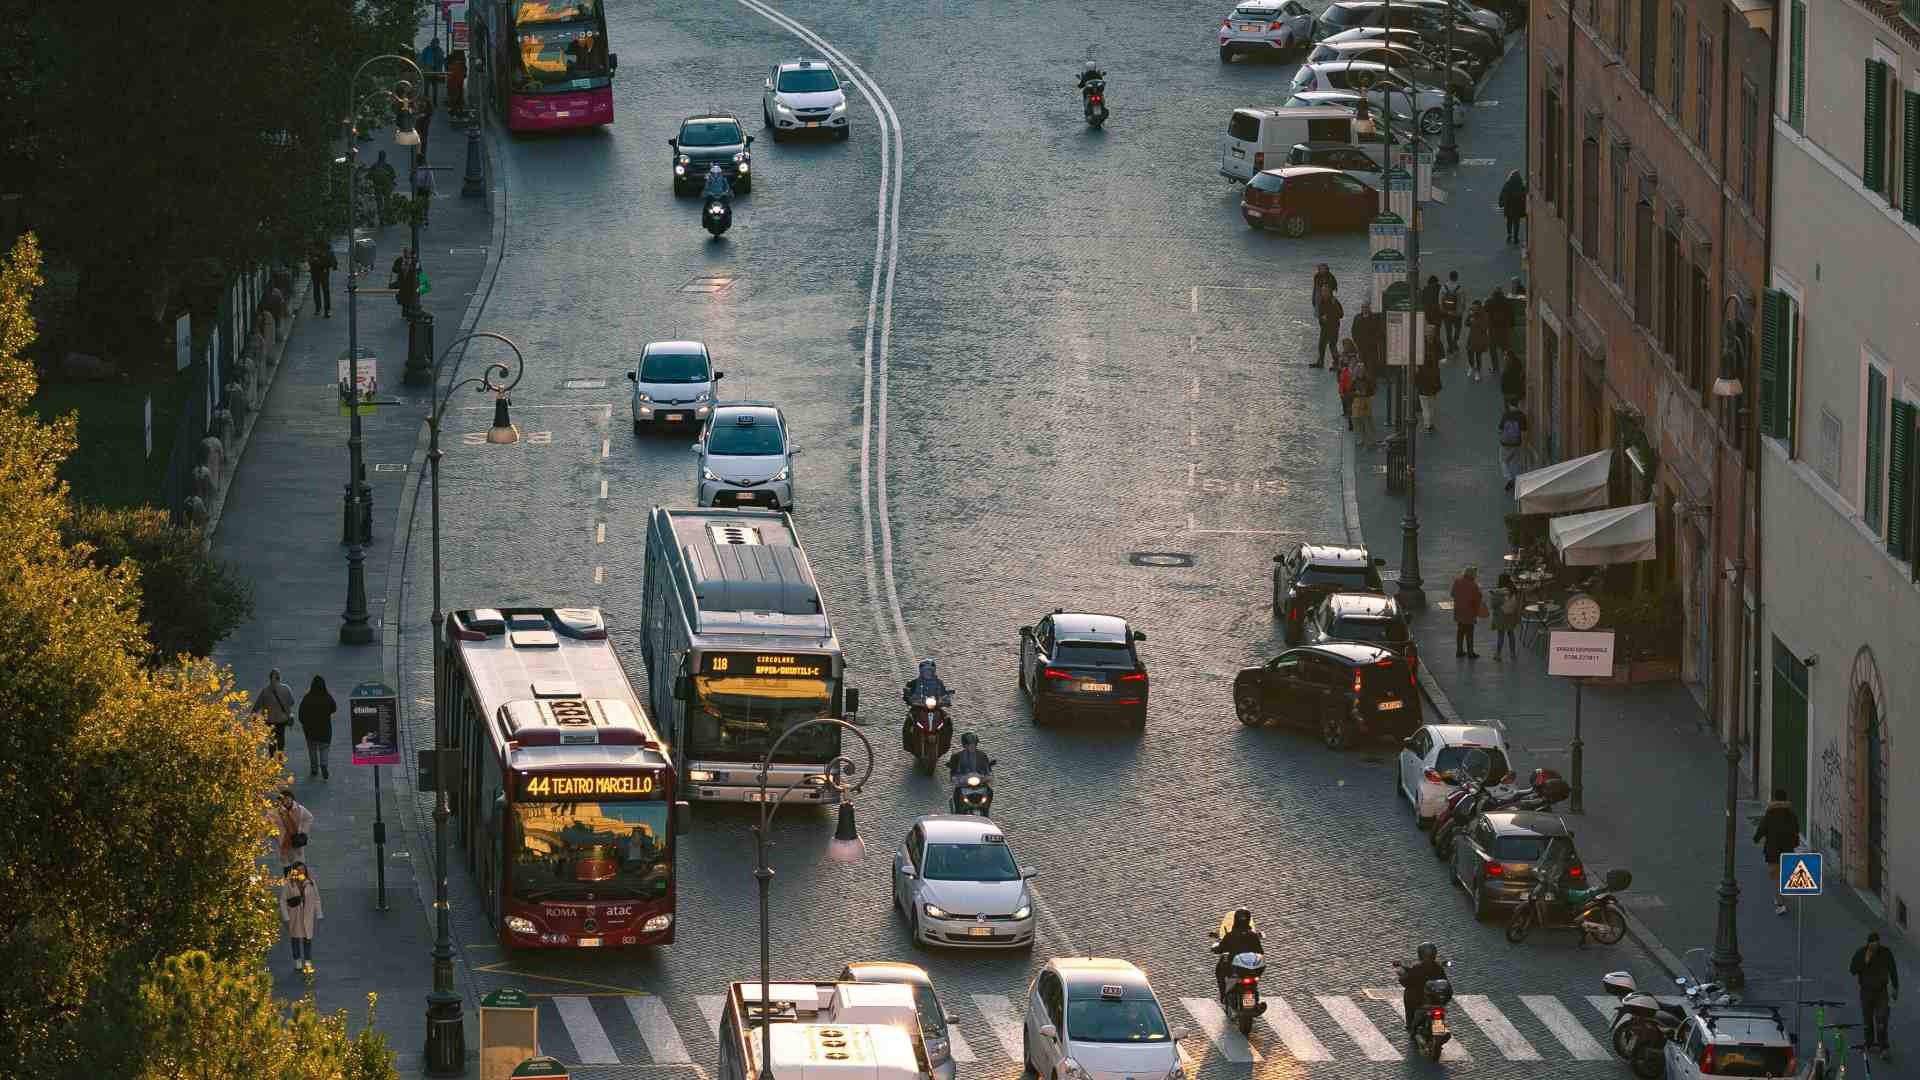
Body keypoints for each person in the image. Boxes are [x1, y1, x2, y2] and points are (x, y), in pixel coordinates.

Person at [1850, 930, 1900, 1053]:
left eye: (1877, 943)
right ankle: (1869, 1043)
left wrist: (1895, 987)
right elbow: (1852, 970)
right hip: (1866, 991)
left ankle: (1883, 1046)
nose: (1875, 946)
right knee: (1867, 1020)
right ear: (1868, 944)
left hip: (1881, 991)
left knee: (1881, 1019)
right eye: (1872, 943)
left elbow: (1892, 969)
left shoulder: (1885, 953)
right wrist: (1864, 962)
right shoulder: (1861, 953)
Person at [1753, 789, 1801, 915]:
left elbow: (1762, 828)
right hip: (1787, 848)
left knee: (1775, 875)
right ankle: (1780, 898)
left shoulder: (1770, 813)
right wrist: (1795, 843)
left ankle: (1780, 903)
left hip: (1772, 849)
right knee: (1784, 874)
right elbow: (1796, 830)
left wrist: (1756, 838)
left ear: (1774, 799)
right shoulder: (1791, 814)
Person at [1212, 909, 1265, 1001]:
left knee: (1219, 972)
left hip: (1235, 968)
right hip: (1251, 969)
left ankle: (1223, 996)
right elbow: (1260, 951)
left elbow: (1220, 949)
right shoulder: (1253, 936)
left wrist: (1215, 949)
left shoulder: (1230, 935)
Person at [1395, 942, 1448, 1033]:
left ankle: (1410, 1024)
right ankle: (1438, 1029)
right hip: (1435, 999)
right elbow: (1445, 982)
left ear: (1420, 954)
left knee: (1408, 995)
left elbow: (1406, 982)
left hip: (1418, 1000)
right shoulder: (1438, 968)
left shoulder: (1417, 968)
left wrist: (1401, 976)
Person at [281, 862, 323, 975]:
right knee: (295, 938)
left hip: (307, 914)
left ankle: (308, 961)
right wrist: (286, 916)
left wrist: (318, 913)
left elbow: (317, 899)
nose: (301, 872)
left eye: (303, 870)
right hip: (295, 915)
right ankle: (297, 961)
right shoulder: (289, 883)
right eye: (298, 870)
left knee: (307, 939)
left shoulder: (311, 883)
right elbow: (283, 901)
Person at [901, 658, 950, 750]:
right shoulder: (915, 683)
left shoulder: (939, 683)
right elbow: (908, 690)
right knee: (909, 720)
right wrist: (908, 697)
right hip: (919, 707)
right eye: (925, 671)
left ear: (933, 672)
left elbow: (944, 693)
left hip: (935, 707)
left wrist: (946, 698)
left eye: (929, 671)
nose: (927, 673)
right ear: (921, 672)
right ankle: (908, 744)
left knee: (947, 720)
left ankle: (945, 744)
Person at [299, 675, 336, 780]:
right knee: (324, 748)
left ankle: (314, 769)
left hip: (310, 730)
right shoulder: (327, 696)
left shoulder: (308, 697)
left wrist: (304, 723)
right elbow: (334, 708)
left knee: (312, 750)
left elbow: (301, 713)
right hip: (325, 729)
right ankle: (324, 764)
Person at [253, 668, 296, 759]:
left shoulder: (265, 691)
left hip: (269, 720)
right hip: (282, 719)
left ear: (269, 678)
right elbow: (292, 702)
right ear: (279, 678)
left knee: (271, 740)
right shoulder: (286, 688)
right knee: (281, 739)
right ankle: (280, 758)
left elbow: (257, 706)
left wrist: (254, 717)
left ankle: (272, 758)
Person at [276, 787, 314, 871]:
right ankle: (291, 882)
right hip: (284, 842)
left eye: (288, 798)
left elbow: (309, 818)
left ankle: (303, 881)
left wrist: (303, 832)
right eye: (284, 799)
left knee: (300, 865)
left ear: (292, 798)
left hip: (296, 840)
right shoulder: (277, 812)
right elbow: (269, 823)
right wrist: (276, 835)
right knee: (287, 866)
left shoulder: (300, 809)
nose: (287, 801)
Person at [1450, 566, 1483, 658]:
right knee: (1469, 633)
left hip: (1459, 611)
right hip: (1469, 612)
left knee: (1460, 632)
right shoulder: (1473, 585)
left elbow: (1452, 594)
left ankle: (1459, 651)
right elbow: (1478, 598)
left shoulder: (1457, 581)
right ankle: (1470, 652)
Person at [1498, 399, 1528, 492]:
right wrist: (1524, 445)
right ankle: (1517, 481)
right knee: (1516, 463)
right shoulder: (1522, 416)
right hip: (1517, 443)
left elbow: (1500, 430)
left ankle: (1509, 478)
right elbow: (1524, 432)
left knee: (1503, 461)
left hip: (1505, 444)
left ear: (1510, 405)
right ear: (1518, 405)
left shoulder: (1506, 415)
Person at [1490, 572, 1522, 659]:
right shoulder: (1513, 590)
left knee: (1501, 635)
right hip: (1511, 615)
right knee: (1511, 633)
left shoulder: (1498, 593)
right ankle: (1513, 653)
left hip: (1501, 616)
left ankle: (1498, 654)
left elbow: (1493, 605)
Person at [1414, 339, 1442, 434]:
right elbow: (1437, 379)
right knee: (1431, 407)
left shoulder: (1420, 369)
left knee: (1425, 407)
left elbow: (1416, 378)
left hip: (1423, 390)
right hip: (1433, 390)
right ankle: (1430, 422)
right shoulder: (1434, 369)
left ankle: (1427, 424)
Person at [1484, 287, 1514, 372]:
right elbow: (1511, 315)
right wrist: (1511, 326)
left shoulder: (1490, 301)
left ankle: (1495, 367)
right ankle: (1507, 366)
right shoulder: (1507, 302)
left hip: (1493, 328)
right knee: (1505, 348)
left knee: (1492, 349)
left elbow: (1485, 309)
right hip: (1504, 328)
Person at [1314, 286, 1344, 368]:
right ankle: (1321, 362)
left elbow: (1341, 314)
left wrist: (1329, 316)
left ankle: (1337, 362)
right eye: (1322, 291)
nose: (1323, 293)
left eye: (1325, 291)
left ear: (1329, 292)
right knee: (1321, 345)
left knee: (1332, 345)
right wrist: (1321, 319)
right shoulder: (1321, 301)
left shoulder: (1334, 301)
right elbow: (1319, 314)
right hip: (1324, 327)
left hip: (1333, 328)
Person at [1498, 169, 1527, 244]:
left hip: (1509, 207)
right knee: (1516, 223)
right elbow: (1524, 195)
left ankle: (1509, 234)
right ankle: (1516, 237)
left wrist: (1501, 203)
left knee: (1509, 222)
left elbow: (1502, 194)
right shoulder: (1521, 185)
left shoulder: (1507, 184)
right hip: (1517, 208)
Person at [307, 245, 336, 318]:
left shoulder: (314, 249)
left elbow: (310, 260)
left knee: (317, 290)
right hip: (323, 272)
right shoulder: (327, 250)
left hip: (317, 271)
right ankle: (325, 310)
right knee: (325, 291)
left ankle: (319, 308)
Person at [1464, 299, 1489, 380]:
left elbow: (1484, 327)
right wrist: (1469, 316)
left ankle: (1478, 371)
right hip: (1471, 337)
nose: (1474, 309)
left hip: (1480, 338)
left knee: (1478, 356)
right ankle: (1471, 366)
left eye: (1475, 307)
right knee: (1469, 353)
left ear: (1479, 307)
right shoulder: (1472, 314)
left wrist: (1474, 321)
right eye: (1473, 307)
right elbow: (1466, 323)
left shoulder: (1484, 314)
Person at [1441, 271, 1464, 353]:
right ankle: (1455, 343)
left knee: (1448, 331)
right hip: (1457, 314)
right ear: (1456, 277)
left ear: (1449, 277)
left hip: (1447, 313)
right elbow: (1462, 301)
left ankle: (1450, 346)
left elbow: (1440, 301)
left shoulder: (1444, 287)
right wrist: (1461, 311)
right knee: (1457, 329)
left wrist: (1444, 311)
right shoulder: (1460, 288)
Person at [1352, 374, 1377, 448]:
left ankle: (1371, 440)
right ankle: (1361, 439)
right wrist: (1355, 393)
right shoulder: (1354, 381)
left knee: (1368, 420)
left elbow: (1373, 390)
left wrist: (1367, 394)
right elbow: (1350, 391)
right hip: (1357, 401)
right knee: (1357, 420)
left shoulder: (1368, 380)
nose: (1360, 371)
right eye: (1359, 370)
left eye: (1362, 369)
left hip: (1366, 401)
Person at [412, 150, 435, 226]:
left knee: (425, 205)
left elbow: (430, 180)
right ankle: (422, 219)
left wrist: (428, 188)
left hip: (425, 189)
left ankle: (425, 219)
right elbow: (412, 178)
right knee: (420, 204)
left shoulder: (427, 168)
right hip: (419, 189)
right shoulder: (416, 168)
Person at [1338, 346, 1357, 430]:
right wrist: (1341, 391)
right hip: (1347, 391)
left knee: (1352, 407)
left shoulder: (1355, 370)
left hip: (1352, 391)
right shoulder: (1345, 371)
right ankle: (1351, 423)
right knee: (1350, 407)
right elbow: (1341, 382)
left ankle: (1352, 422)